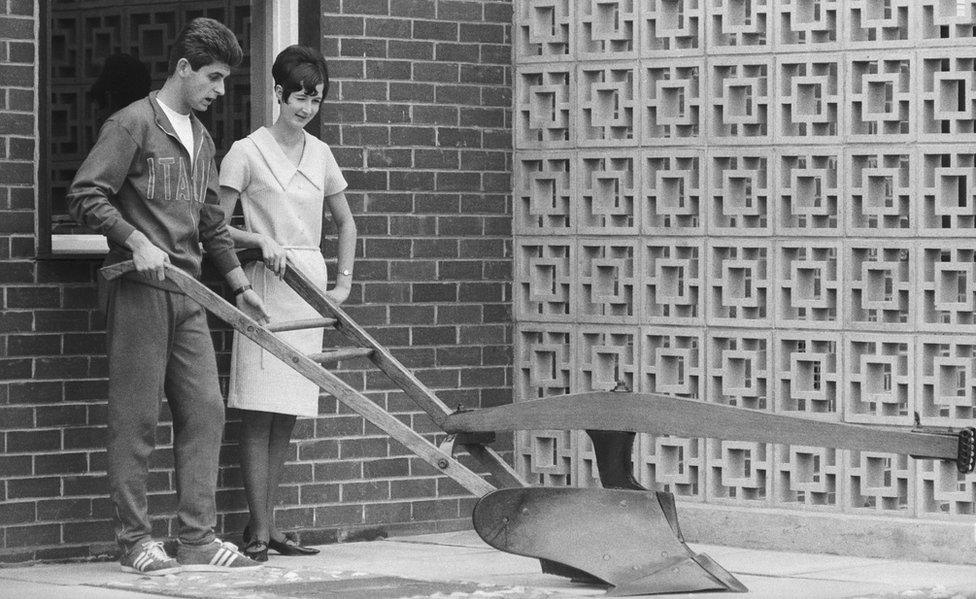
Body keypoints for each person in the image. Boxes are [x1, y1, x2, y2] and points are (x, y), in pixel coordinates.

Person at [67, 17, 269, 575]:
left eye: (224, 79)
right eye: (213, 78)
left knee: (206, 411)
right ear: (183, 68)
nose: (220, 90)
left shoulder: (203, 139)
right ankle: (134, 539)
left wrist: (240, 285)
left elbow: (211, 224)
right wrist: (133, 238)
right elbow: (84, 196)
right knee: (136, 422)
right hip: (138, 289)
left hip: (189, 294)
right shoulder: (132, 123)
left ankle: (197, 539)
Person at [218, 44, 357, 561]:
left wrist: (340, 285)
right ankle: (256, 530)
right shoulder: (246, 151)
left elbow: (345, 223)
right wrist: (258, 242)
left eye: (315, 100)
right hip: (263, 289)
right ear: (278, 93)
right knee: (259, 410)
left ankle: (271, 526)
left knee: (288, 413)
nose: (306, 109)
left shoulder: (319, 153)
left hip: (309, 289)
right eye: (299, 97)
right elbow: (215, 229)